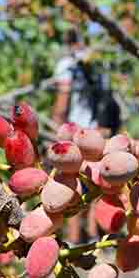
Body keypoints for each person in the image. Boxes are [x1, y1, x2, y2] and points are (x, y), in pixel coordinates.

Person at [52, 29, 100, 244]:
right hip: (97, 134)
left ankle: (73, 243)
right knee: (95, 185)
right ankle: (92, 239)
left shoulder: (67, 66)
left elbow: (63, 102)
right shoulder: (97, 66)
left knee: (71, 185)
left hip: (75, 133)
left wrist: (55, 130)